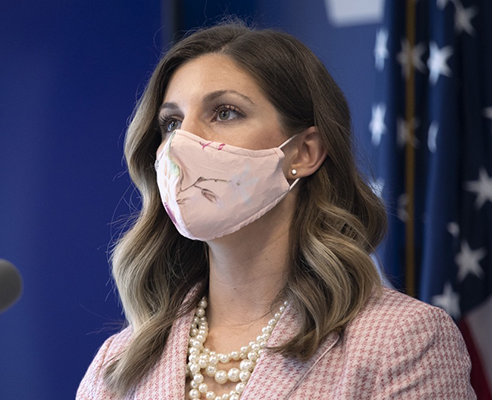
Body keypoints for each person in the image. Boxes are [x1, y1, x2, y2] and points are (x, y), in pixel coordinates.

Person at [77, 22, 475, 400]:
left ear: (304, 152)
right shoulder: (116, 364)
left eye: (225, 112)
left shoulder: (402, 340)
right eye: (171, 123)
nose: (183, 142)